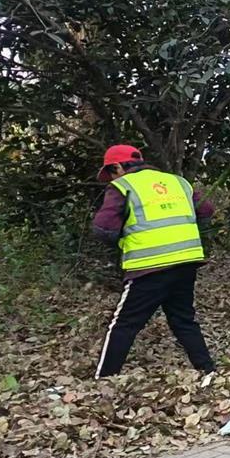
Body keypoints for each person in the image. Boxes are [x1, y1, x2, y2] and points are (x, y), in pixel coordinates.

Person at [91, 145, 216, 378]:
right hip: (186, 260)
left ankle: (104, 379)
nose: (111, 179)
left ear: (117, 167)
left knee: (124, 324)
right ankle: (208, 371)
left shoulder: (123, 186)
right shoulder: (178, 182)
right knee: (183, 320)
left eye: (110, 173)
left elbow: (103, 228)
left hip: (148, 265)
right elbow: (206, 210)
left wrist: (124, 238)